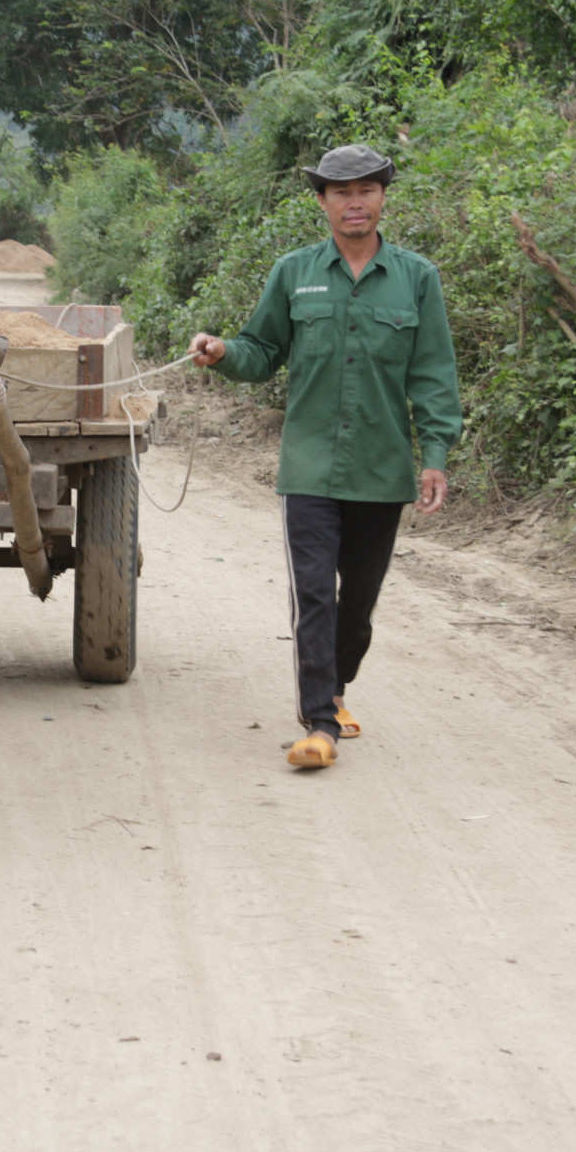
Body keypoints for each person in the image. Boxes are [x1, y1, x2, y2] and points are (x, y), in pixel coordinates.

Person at [190, 144, 462, 770]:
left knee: (358, 600)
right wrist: (224, 351)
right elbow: (261, 350)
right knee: (313, 591)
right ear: (322, 201)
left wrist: (436, 453)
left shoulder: (417, 278)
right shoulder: (294, 272)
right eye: (341, 192)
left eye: (366, 189)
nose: (355, 202)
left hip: (381, 466)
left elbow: (433, 375)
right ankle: (318, 723)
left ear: (383, 197)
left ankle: (334, 690)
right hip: (310, 463)